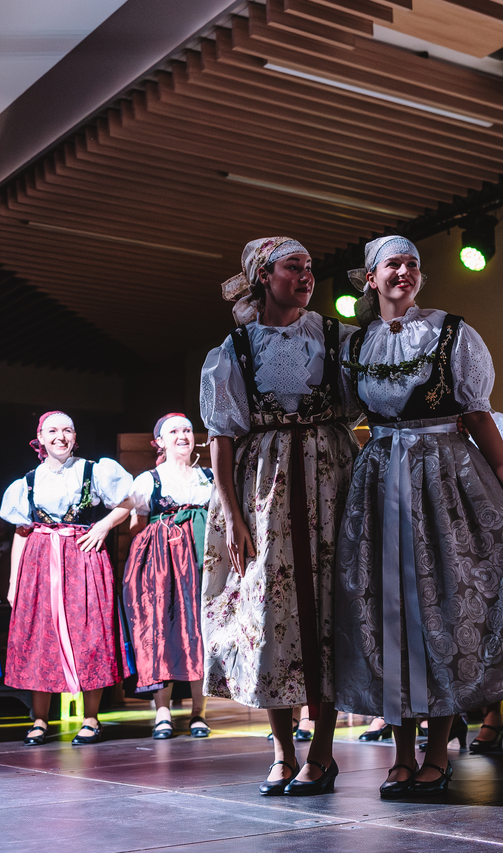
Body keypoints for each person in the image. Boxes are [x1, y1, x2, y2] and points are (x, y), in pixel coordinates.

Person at [334, 235, 503, 798]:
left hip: (443, 477)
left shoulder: (450, 332)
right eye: (393, 264)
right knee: (390, 611)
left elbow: (477, 414)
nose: (404, 271)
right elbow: (346, 415)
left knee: (444, 608)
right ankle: (401, 753)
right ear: (370, 277)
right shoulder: (357, 344)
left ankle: (437, 753)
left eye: (412, 264)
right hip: (381, 477)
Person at [200, 236, 357, 796]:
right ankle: (282, 751)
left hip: (330, 477)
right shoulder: (235, 348)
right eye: (294, 266)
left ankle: (323, 751)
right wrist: (233, 516)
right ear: (264, 276)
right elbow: (221, 437)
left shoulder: (335, 337)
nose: (306, 275)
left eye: (310, 267)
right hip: (264, 487)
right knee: (270, 613)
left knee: (331, 608)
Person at [0, 411, 134, 747]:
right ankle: (40, 719)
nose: (60, 436)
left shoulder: (93, 471)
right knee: (40, 637)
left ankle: (91, 718)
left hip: (83, 558)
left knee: (90, 635)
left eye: (67, 430)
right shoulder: (28, 482)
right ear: (40, 439)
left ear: (75, 436)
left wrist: (103, 526)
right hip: (40, 562)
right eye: (53, 431)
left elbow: (129, 500)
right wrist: (15, 582)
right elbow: (21, 531)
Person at [123, 413, 214, 739]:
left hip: (200, 559)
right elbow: (136, 525)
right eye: (173, 431)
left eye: (187, 430)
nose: (182, 435)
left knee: (199, 631)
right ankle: (162, 712)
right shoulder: (150, 480)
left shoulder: (208, 476)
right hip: (161, 562)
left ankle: (198, 713)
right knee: (159, 629)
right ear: (160, 441)